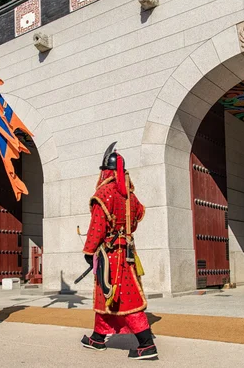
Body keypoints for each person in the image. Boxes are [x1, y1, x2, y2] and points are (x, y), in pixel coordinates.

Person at [80, 143, 158, 360]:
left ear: (106, 171)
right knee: (107, 296)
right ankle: (97, 338)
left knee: (125, 298)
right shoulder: (130, 196)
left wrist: (89, 251)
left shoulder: (103, 193)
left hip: (110, 255)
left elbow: (97, 226)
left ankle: (146, 344)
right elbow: (139, 214)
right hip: (127, 252)